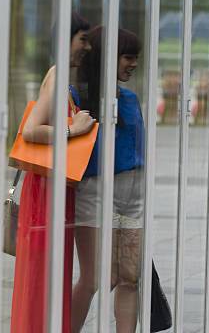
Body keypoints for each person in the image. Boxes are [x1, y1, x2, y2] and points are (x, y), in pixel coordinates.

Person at [11, 12, 96, 333]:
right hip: (47, 190)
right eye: (82, 40)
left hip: (54, 187)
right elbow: (32, 130)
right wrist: (73, 130)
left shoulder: (62, 77)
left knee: (49, 273)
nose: (86, 48)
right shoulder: (58, 75)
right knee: (43, 273)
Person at [72, 26, 145, 333]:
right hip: (95, 192)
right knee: (96, 278)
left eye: (135, 58)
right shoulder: (77, 97)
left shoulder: (130, 99)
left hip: (133, 194)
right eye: (128, 57)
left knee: (130, 276)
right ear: (108, 57)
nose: (133, 64)